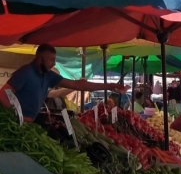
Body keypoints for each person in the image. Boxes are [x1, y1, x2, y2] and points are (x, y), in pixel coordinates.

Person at [0, 44, 128, 122]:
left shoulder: (48, 75)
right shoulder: (26, 72)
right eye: (51, 60)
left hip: (29, 122)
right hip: (16, 123)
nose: (54, 64)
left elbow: (77, 85)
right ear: (40, 58)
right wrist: (17, 116)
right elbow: (3, 94)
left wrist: (110, 86)